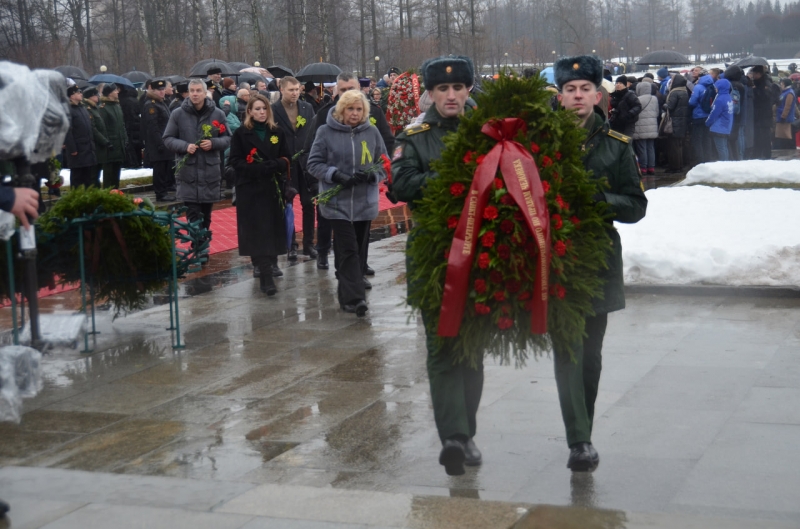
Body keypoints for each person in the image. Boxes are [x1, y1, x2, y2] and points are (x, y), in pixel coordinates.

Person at [391, 55, 484, 477]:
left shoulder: (487, 134)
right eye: (442, 89)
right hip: (433, 255)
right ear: (429, 94)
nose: (451, 95)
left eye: (458, 88)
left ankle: (467, 432)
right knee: (442, 346)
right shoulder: (415, 135)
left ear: (468, 91)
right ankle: (451, 436)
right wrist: (454, 177)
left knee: (472, 349)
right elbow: (401, 184)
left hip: (481, 255)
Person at [554, 55, 647, 471]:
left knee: (590, 354)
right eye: (569, 90)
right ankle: (579, 440)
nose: (577, 96)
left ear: (598, 94)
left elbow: (636, 205)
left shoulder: (617, 146)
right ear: (559, 97)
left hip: (597, 259)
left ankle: (583, 429)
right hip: (554, 259)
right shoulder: (541, 145)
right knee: (568, 350)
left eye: (585, 89)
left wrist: (600, 200)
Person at [303, 72, 394, 273]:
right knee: (331, 226)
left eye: (351, 89)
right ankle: (325, 253)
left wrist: (378, 173)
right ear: (336, 90)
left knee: (361, 233)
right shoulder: (324, 115)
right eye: (343, 90)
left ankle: (359, 265)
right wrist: (321, 179)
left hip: (362, 191)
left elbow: (385, 144)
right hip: (334, 189)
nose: (347, 93)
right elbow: (312, 151)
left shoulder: (373, 113)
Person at [306, 89, 386, 317]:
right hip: (336, 202)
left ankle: (346, 292)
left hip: (363, 202)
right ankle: (356, 298)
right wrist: (335, 174)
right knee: (349, 247)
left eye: (359, 109)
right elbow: (313, 163)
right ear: (342, 110)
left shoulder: (371, 132)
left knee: (356, 249)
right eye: (350, 108)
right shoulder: (325, 132)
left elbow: (384, 162)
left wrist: (373, 175)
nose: (355, 113)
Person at [228, 94, 292, 295]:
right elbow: (234, 162)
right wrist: (255, 168)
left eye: (264, 109)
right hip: (251, 190)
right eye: (257, 109)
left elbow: (287, 157)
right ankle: (265, 276)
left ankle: (271, 266)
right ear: (249, 112)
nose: (261, 112)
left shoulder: (277, 132)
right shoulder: (241, 133)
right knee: (258, 233)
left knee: (271, 231)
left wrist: (275, 165)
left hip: (272, 189)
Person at [163, 78, 231, 234]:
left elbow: (228, 138)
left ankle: (203, 245)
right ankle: (198, 249)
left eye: (198, 91)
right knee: (193, 216)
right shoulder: (178, 114)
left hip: (210, 174)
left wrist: (213, 143)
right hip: (188, 173)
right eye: (192, 91)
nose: (195, 94)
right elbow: (167, 138)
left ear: (205, 92)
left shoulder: (218, 114)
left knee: (206, 216)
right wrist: (185, 146)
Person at [272, 76, 317, 265]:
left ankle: (308, 243)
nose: (295, 93)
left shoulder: (307, 108)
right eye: (291, 90)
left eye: (297, 89)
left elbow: (313, 132)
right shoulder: (274, 110)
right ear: (281, 90)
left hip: (305, 162)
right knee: (287, 206)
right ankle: (290, 244)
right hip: (286, 163)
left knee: (309, 204)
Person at [141, 79, 177, 201]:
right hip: (157, 143)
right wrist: (160, 143)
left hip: (165, 141)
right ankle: (160, 193)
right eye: (159, 90)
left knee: (165, 167)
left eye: (163, 90)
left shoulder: (161, 102)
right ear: (153, 90)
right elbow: (153, 127)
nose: (162, 92)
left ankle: (164, 191)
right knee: (159, 169)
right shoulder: (151, 105)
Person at [64, 84, 97, 188]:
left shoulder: (82, 108)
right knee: (77, 177)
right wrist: (72, 149)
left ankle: (88, 201)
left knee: (88, 178)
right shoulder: (68, 110)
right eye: (78, 93)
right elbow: (67, 131)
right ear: (71, 96)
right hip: (77, 150)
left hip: (87, 148)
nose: (81, 94)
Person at [98, 83, 127, 188]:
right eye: (115, 90)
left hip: (119, 144)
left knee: (116, 173)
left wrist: (125, 139)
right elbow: (102, 128)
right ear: (109, 93)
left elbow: (122, 125)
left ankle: (116, 194)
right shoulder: (103, 108)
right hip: (110, 146)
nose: (117, 92)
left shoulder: (117, 106)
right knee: (109, 174)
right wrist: (107, 142)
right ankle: (108, 196)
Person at [632, 81, 658, 178]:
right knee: (650, 147)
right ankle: (651, 167)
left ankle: (643, 167)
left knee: (642, 148)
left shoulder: (637, 99)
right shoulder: (654, 98)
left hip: (641, 126)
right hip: (652, 126)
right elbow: (657, 112)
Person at [688, 71, 715, 164]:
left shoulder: (698, 87)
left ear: (700, 78)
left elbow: (692, 102)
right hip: (708, 115)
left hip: (698, 116)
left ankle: (700, 161)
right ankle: (708, 160)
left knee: (697, 140)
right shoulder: (712, 85)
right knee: (706, 139)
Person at [664, 73, 690, 172]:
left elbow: (670, 107)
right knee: (679, 145)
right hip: (682, 121)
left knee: (673, 146)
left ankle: (674, 167)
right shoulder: (684, 91)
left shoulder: (674, 92)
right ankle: (679, 165)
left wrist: (664, 105)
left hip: (674, 121)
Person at [751, 65, 776, 159]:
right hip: (761, 114)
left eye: (754, 73)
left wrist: (755, 90)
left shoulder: (765, 82)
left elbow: (765, 96)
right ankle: (760, 154)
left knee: (764, 136)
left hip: (764, 113)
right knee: (759, 135)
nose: (753, 75)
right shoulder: (760, 82)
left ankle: (765, 155)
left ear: (759, 74)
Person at [705, 78, 733, 161]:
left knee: (721, 148)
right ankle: (726, 163)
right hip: (726, 126)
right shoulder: (728, 97)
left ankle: (723, 166)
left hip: (719, 128)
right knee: (724, 147)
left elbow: (714, 113)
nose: (715, 89)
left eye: (716, 87)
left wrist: (707, 123)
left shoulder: (720, 100)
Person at [723, 65, 746, 160]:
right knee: (735, 139)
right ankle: (738, 158)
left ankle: (733, 158)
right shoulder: (741, 85)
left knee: (730, 140)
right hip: (737, 114)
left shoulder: (731, 85)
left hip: (730, 115)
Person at [774, 78, 797, 150]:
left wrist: (783, 116)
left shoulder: (789, 93)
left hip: (784, 118)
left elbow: (787, 106)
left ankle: (788, 150)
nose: (781, 84)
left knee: (785, 135)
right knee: (781, 135)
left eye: (782, 83)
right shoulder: (784, 92)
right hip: (780, 117)